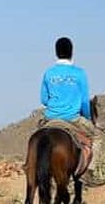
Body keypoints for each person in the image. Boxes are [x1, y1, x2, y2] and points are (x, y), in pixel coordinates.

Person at [39, 37, 99, 184]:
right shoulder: (79, 73)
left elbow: (44, 99)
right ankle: (88, 172)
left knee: (37, 138)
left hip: (50, 117)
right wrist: (87, 116)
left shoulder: (49, 73)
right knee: (97, 138)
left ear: (56, 53)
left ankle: (31, 166)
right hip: (72, 117)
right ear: (72, 52)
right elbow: (85, 101)